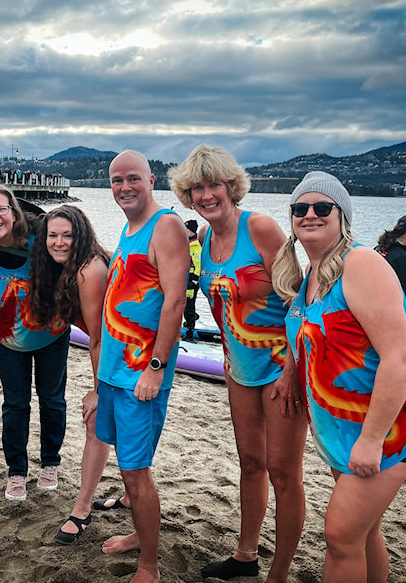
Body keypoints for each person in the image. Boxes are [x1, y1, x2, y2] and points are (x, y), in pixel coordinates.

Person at [271, 171, 406, 583]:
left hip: (392, 426)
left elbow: (399, 358)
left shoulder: (361, 263)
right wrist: (291, 376)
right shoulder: (311, 275)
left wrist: (371, 440)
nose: (310, 214)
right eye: (300, 209)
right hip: (346, 427)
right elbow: (312, 338)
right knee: (363, 535)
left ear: (342, 216)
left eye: (322, 207)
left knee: (340, 534)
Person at [169, 144, 307, 582]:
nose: (207, 195)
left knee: (284, 472)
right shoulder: (206, 237)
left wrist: (293, 371)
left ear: (232, 187)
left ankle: (279, 573)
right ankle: (246, 556)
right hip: (238, 367)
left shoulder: (262, 229)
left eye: (214, 185)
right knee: (250, 462)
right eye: (197, 188)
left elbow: (301, 304)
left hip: (282, 366)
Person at [96, 150, 190, 583]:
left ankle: (148, 565)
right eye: (117, 181)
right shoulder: (132, 226)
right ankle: (141, 533)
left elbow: (174, 300)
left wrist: (155, 366)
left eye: (133, 178)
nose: (124, 187)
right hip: (115, 373)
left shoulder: (165, 225)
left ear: (152, 180)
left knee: (136, 471)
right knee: (129, 466)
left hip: (140, 376)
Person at [0, 183, 70, 501]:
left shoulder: (41, 241)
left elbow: (82, 259)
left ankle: (50, 463)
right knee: (15, 404)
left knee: (52, 399)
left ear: (14, 213)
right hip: (6, 338)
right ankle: (16, 471)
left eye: (1, 208)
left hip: (52, 334)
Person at [29, 204, 117, 545]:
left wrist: (97, 391)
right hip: (116, 351)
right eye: (53, 235)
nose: (59, 242)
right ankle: (128, 495)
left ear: (81, 235)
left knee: (98, 423)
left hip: (125, 353)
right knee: (119, 426)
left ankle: (82, 510)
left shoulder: (88, 270)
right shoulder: (64, 268)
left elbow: (99, 338)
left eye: (68, 235)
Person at [182, 219, 202, 340]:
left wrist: (195, 280)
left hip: (192, 281)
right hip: (185, 279)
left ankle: (189, 334)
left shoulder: (195, 246)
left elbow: (198, 264)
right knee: (183, 304)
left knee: (189, 306)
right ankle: (192, 318)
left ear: (190, 231)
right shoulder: (187, 244)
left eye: (186, 229)